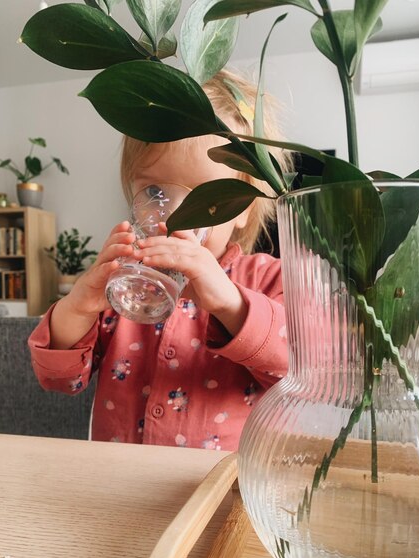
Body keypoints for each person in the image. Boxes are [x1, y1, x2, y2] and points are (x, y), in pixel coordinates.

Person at [28, 68, 292, 451]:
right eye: (154, 191)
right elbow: (59, 380)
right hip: (121, 486)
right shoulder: (125, 283)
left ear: (244, 211)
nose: (174, 216)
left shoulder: (268, 278)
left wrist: (229, 304)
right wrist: (79, 306)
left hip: (220, 494)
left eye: (207, 197)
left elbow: (300, 370)